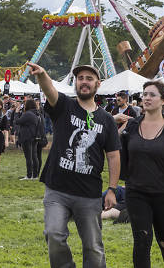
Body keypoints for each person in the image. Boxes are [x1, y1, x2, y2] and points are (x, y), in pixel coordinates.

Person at [27, 62, 121, 268]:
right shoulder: (64, 106)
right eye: (80, 78)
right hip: (57, 190)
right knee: (54, 234)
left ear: (98, 84)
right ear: (76, 83)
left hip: (89, 193)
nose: (84, 82)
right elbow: (50, 90)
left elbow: (113, 156)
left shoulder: (106, 120)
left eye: (89, 79)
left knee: (93, 247)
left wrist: (112, 189)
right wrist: (42, 74)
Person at [120, 81, 164, 268]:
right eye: (144, 94)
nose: (146, 98)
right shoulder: (131, 126)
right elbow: (118, 151)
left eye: (152, 95)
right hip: (136, 193)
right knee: (142, 241)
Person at [14, 99, 41, 180]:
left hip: (27, 137)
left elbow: (17, 121)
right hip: (34, 136)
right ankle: (35, 175)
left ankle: (29, 176)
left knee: (29, 157)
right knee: (34, 156)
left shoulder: (28, 114)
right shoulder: (36, 113)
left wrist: (16, 112)